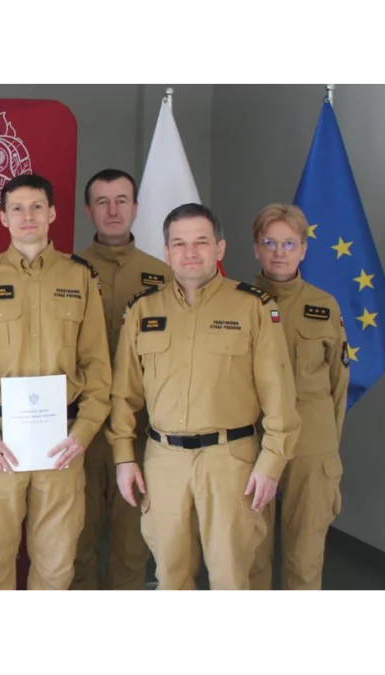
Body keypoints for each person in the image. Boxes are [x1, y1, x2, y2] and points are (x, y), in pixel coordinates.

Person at [109, 203, 301, 590]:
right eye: (179, 243)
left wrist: (271, 463)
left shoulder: (253, 307)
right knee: (170, 577)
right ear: (166, 252)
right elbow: (123, 394)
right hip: (164, 462)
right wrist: (123, 456)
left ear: (220, 248)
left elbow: (279, 397)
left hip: (230, 462)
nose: (190, 252)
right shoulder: (143, 309)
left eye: (201, 241)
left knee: (231, 577)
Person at [0, 173, 112, 590]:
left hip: (62, 441)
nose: (28, 216)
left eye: (37, 207)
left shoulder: (80, 277)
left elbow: (97, 365)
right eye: (18, 208)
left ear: (52, 213)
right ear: (3, 218)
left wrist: (83, 433)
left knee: (57, 565)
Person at [71, 169, 171, 590]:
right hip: (81, 431)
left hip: (141, 430)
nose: (113, 210)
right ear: (88, 210)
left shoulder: (164, 275)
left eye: (122, 200)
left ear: (136, 207)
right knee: (78, 539)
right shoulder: (68, 272)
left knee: (133, 545)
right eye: (102, 202)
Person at [248, 203, 348, 590]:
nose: (279, 252)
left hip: (312, 445)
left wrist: (327, 446)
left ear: (304, 250)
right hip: (254, 440)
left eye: (289, 243)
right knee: (251, 555)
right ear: (256, 248)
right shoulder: (238, 302)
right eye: (270, 242)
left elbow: (338, 384)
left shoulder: (324, 305)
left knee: (305, 560)